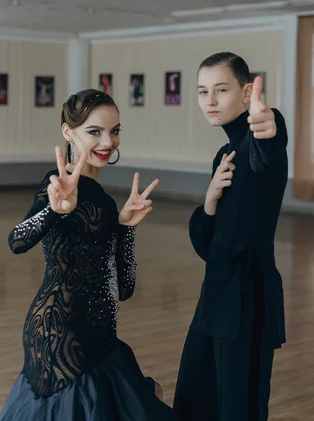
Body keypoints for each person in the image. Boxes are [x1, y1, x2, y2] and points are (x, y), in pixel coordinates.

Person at [1, 89, 176, 421]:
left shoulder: (103, 198)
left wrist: (126, 228)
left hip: (99, 336)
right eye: (94, 131)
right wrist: (53, 210)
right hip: (59, 336)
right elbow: (17, 240)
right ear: (68, 132)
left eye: (114, 130)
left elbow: (123, 289)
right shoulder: (59, 184)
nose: (108, 141)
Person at [173, 52, 288, 421]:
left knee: (240, 406)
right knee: (194, 395)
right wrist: (208, 201)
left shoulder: (258, 138)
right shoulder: (224, 154)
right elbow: (207, 247)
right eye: (202, 91)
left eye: (220, 90)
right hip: (216, 296)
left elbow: (268, 148)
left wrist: (270, 127)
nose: (210, 100)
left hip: (248, 299)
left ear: (246, 92)